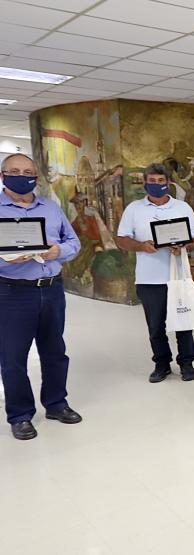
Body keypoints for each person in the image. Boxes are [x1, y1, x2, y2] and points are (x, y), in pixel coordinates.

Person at [0, 154, 82, 440]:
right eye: (14, 171)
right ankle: (20, 415)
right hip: (12, 292)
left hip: (51, 289)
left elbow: (74, 242)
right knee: (12, 357)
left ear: (36, 175)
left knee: (55, 352)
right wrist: (5, 260)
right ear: (3, 176)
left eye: (28, 171)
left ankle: (57, 404)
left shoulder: (50, 207)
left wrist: (59, 251)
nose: (22, 176)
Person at [116, 163, 194, 383]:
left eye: (161, 181)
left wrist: (183, 246)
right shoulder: (133, 209)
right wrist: (141, 246)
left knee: (183, 322)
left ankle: (187, 363)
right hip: (148, 278)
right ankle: (161, 364)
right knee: (155, 325)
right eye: (152, 181)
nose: (156, 185)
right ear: (145, 183)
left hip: (178, 276)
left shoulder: (182, 209)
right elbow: (122, 240)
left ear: (168, 183)